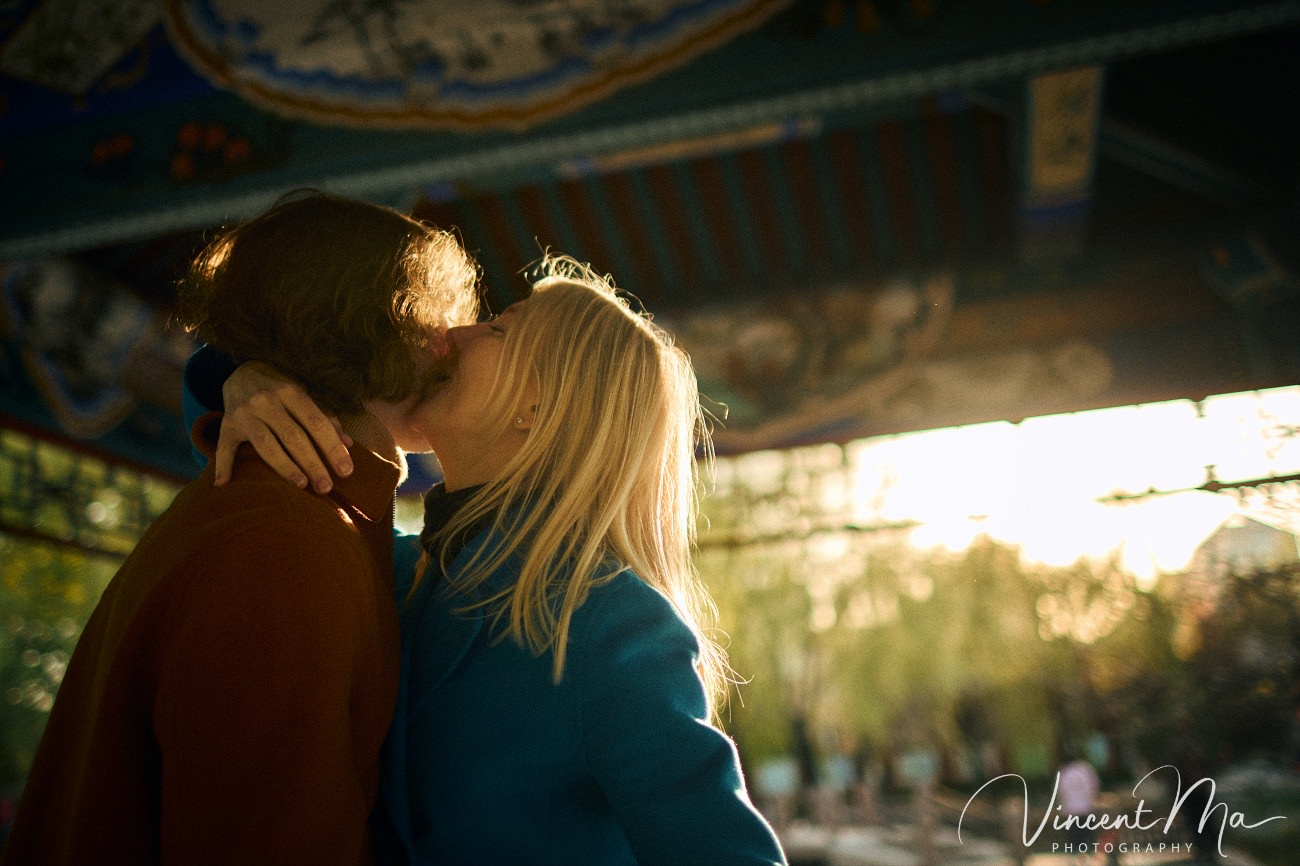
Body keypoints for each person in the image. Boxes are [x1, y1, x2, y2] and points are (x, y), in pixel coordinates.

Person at [195, 257, 788, 865]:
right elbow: (233, 492)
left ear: (540, 403)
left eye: (498, 330)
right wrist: (245, 383)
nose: (454, 335)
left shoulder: (611, 623)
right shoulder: (386, 566)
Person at [1, 190, 479, 866]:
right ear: (405, 327)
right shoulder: (286, 544)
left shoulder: (295, 515)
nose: (455, 344)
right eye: (446, 320)